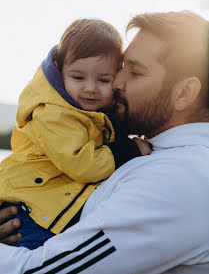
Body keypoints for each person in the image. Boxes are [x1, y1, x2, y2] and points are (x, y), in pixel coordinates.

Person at [0, 10, 209, 274]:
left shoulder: (180, 178)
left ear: (184, 93)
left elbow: (39, 271)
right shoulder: (155, 155)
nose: (117, 83)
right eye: (121, 68)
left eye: (134, 72)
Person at [0, 19, 144, 250]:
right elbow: (82, 163)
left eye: (103, 80)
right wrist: (127, 151)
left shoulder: (90, 115)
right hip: (27, 206)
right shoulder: (54, 114)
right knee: (37, 256)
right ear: (60, 71)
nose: (90, 88)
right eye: (78, 78)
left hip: (46, 202)